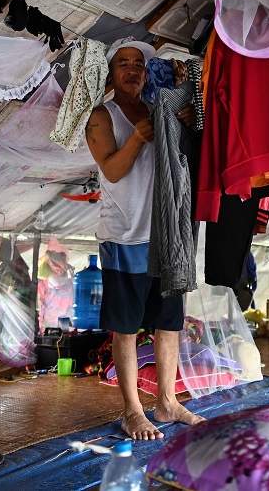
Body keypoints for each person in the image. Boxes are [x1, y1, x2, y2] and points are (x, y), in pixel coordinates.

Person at [85, 38, 203, 440]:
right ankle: (132, 411)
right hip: (125, 237)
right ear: (112, 72)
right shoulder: (103, 116)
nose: (132, 69)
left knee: (169, 323)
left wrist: (184, 121)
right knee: (127, 327)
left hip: (166, 237)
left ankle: (167, 402)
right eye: (124, 63)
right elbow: (113, 172)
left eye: (139, 63)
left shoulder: (160, 110)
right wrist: (136, 138)